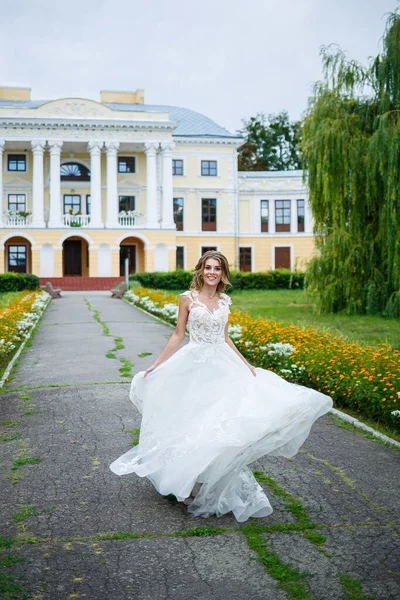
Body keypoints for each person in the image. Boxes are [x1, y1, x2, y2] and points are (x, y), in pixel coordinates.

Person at [110, 251, 333, 522]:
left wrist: (246, 365)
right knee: (193, 421)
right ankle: (188, 484)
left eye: (217, 268)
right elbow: (178, 334)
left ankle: (207, 480)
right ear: (201, 271)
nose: (212, 272)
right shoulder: (187, 299)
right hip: (194, 365)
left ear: (222, 273)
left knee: (220, 421)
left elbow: (225, 338)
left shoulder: (225, 300)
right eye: (207, 268)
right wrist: (156, 365)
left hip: (222, 365)